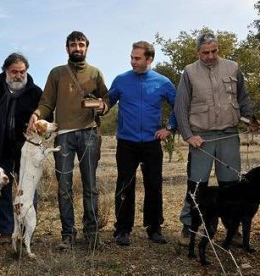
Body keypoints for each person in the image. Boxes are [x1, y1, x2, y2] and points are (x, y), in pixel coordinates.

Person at [175, 32, 258, 245]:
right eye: (205, 52)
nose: (210, 56)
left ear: (218, 49)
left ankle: (233, 229)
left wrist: (250, 120)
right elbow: (180, 107)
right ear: (198, 52)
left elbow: (243, 98)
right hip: (201, 138)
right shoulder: (189, 72)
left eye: (214, 51)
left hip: (229, 134)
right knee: (197, 185)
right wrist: (188, 135)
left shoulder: (233, 67)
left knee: (231, 185)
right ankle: (188, 226)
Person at [28, 31, 109, 250]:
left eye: (81, 44)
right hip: (63, 135)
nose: (77, 48)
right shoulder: (57, 73)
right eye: (73, 45)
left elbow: (106, 99)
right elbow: (47, 103)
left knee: (90, 185)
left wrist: (103, 106)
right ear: (67, 48)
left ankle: (92, 234)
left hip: (89, 133)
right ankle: (68, 234)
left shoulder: (95, 73)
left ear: (86, 48)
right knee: (64, 187)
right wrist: (37, 114)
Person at [108, 41, 177, 246]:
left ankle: (154, 228)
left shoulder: (163, 82)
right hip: (126, 143)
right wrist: (97, 105)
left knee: (154, 185)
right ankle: (122, 229)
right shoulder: (120, 80)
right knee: (124, 186)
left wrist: (170, 128)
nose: (133, 62)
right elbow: (106, 103)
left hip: (151, 143)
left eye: (137, 58)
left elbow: (178, 106)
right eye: (131, 57)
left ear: (149, 59)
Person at [0, 52, 46, 244]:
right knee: (2, 188)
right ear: (6, 71)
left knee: (28, 190)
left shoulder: (35, 92)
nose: (18, 76)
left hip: (25, 150)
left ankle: (27, 230)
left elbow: (46, 114)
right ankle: (5, 231)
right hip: (0, 147)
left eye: (22, 71)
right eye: (14, 72)